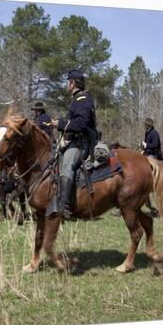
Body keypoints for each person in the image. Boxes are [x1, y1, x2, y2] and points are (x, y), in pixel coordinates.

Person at [47, 69, 98, 219]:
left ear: (72, 83)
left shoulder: (83, 99)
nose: (67, 84)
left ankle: (64, 206)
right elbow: (74, 121)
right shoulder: (77, 99)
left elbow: (81, 124)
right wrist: (61, 123)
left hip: (83, 143)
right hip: (75, 141)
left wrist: (61, 124)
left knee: (67, 164)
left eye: (68, 81)